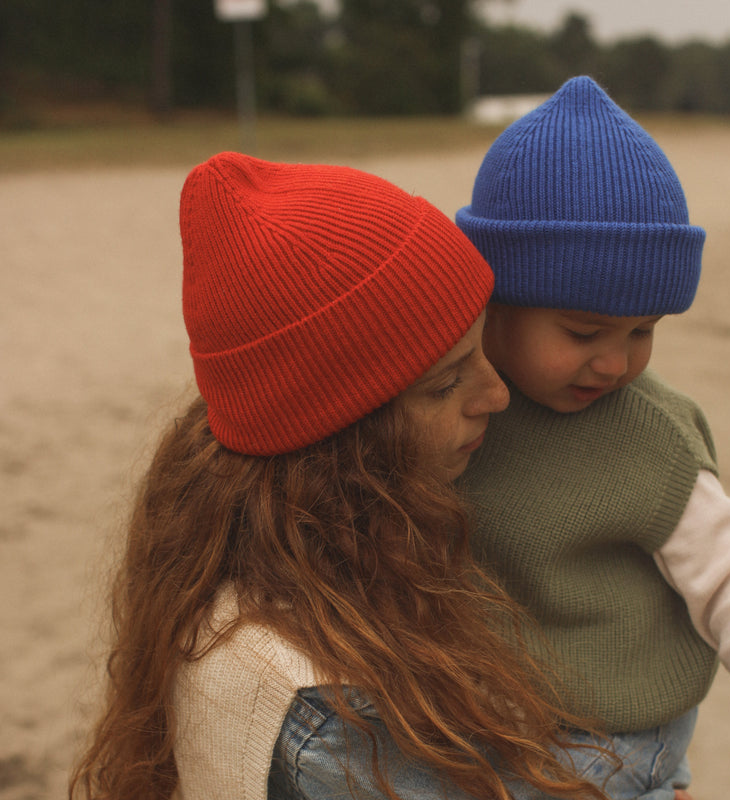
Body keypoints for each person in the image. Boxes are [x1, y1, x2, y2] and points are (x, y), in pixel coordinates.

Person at [69, 153, 615, 800]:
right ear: (342, 445)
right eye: (446, 382)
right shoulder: (326, 703)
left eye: (484, 352)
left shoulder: (273, 559)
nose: (496, 395)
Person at [455, 75, 730, 800]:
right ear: (492, 300)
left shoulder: (652, 438)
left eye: (643, 331)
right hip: (488, 731)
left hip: (618, 748)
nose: (615, 362)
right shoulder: (450, 411)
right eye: (583, 332)